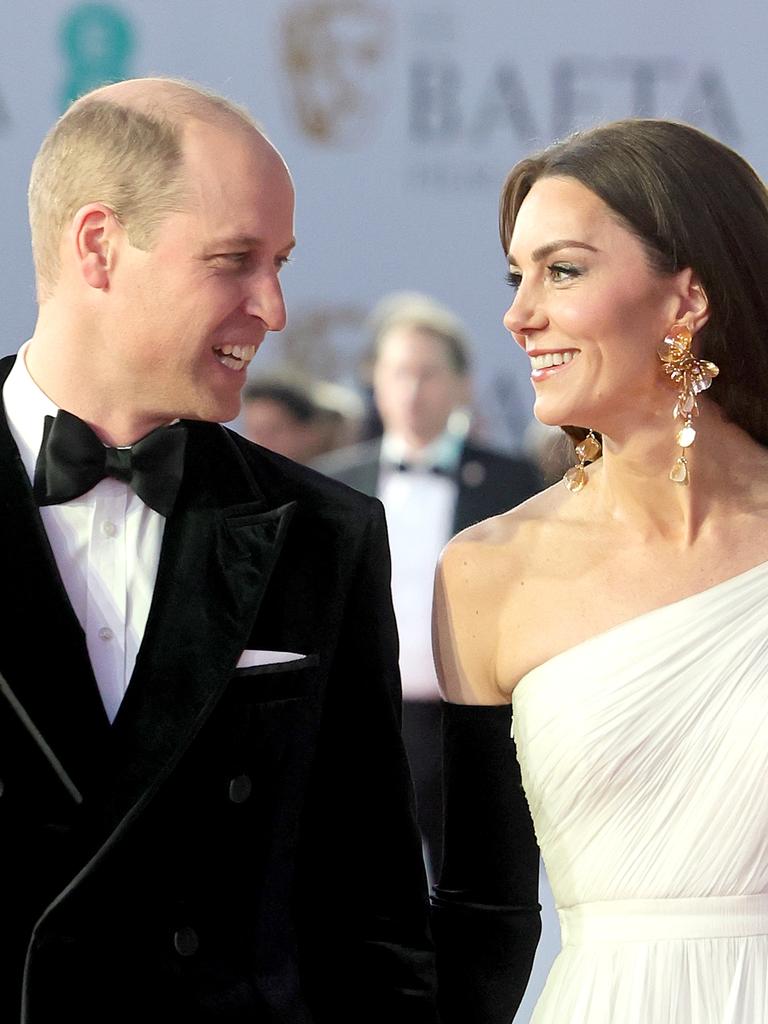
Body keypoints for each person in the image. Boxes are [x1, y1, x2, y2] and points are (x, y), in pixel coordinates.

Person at [1, 77, 438, 1023]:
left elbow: (372, 912)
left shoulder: (324, 533)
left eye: (278, 261)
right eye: (234, 260)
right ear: (99, 246)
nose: (275, 308)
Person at [432, 116, 768, 1023]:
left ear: (685, 299)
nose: (518, 313)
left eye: (562, 269)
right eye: (516, 275)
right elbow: (482, 915)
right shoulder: (486, 573)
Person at [316, 293, 542, 881]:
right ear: (375, 383)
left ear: (463, 385)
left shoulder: (515, 483)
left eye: (428, 374)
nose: (412, 391)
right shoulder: (338, 484)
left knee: (476, 886)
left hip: (474, 723)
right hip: (367, 723)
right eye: (398, 374)